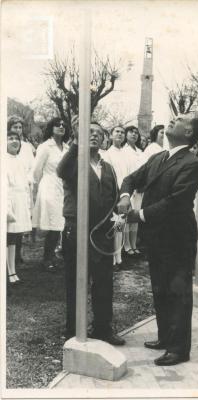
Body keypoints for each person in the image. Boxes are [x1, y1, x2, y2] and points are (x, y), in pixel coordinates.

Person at [118, 116, 198, 366]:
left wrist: (138, 215)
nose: (172, 120)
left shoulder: (191, 163)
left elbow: (175, 202)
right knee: (160, 288)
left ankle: (179, 349)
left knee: (178, 291)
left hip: (177, 237)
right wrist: (125, 195)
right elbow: (132, 179)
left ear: (188, 132)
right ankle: (165, 337)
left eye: (179, 120)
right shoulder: (158, 158)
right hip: (156, 236)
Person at [57, 117, 125, 345]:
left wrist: (120, 215)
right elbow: (61, 170)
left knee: (104, 282)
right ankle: (74, 330)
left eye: (98, 132)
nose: (94, 134)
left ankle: (103, 329)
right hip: (76, 230)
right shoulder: (74, 162)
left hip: (102, 233)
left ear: (105, 139)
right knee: (76, 282)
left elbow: (114, 198)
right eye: (89, 131)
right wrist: (78, 140)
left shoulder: (109, 168)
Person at [32, 117, 69, 271]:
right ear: (51, 128)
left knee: (62, 223)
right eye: (57, 125)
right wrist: (37, 189)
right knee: (54, 223)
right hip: (49, 186)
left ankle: (56, 254)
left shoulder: (67, 148)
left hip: (64, 188)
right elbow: (36, 170)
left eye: (63, 125)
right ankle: (47, 258)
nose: (61, 126)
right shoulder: (45, 147)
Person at [7, 116, 35, 265]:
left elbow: (31, 167)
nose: (18, 130)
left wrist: (28, 179)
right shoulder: (8, 144)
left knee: (21, 222)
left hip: (23, 185)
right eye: (14, 127)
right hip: (11, 186)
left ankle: (17, 253)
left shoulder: (26, 147)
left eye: (20, 127)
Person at [103, 125, 128, 267]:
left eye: (122, 132)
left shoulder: (125, 154)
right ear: (111, 135)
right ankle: (111, 257)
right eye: (117, 132)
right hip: (113, 195)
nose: (120, 134)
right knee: (112, 227)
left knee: (120, 226)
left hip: (124, 195)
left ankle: (119, 257)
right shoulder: (107, 154)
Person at [122, 126, 146, 256]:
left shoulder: (140, 152)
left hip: (139, 189)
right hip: (128, 188)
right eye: (131, 132)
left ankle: (133, 244)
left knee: (135, 217)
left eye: (137, 133)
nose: (134, 134)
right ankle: (125, 246)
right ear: (126, 134)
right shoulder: (123, 151)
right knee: (124, 218)